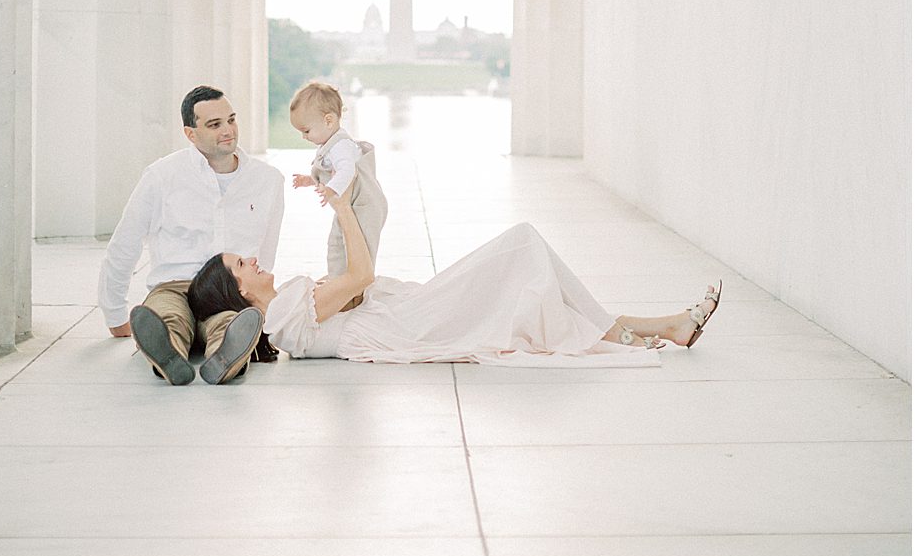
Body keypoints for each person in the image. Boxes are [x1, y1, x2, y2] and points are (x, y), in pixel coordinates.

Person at [187, 185, 722, 368]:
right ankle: (650, 328)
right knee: (524, 245)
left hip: (408, 310)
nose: (252, 260)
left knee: (527, 255)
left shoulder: (286, 306)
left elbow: (355, 281)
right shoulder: (281, 313)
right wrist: (343, 207)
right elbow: (361, 273)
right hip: (412, 322)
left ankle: (659, 326)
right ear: (237, 291)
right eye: (241, 266)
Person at [98, 86, 284, 385]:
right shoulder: (162, 176)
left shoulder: (268, 180)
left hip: (229, 290)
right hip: (174, 286)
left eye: (231, 120)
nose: (228, 130)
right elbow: (125, 242)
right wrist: (114, 313)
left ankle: (225, 358)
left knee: (230, 324)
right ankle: (168, 355)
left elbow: (266, 249)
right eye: (214, 124)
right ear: (190, 133)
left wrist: (258, 299)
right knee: (168, 318)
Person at [290, 80, 388, 306]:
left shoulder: (341, 146)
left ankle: (355, 290)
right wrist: (310, 180)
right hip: (350, 205)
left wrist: (333, 188)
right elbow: (328, 171)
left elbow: (347, 170)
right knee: (337, 243)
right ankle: (339, 281)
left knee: (358, 246)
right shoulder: (331, 145)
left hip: (365, 206)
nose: (304, 137)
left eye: (306, 131)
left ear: (329, 120)